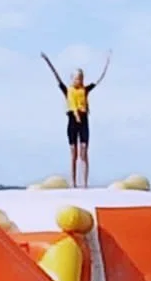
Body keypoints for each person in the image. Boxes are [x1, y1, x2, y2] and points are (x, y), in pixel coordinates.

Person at [42, 51, 110, 187]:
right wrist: (48, 61)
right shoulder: (68, 91)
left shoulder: (85, 90)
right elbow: (57, 78)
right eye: (76, 78)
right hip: (73, 120)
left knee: (84, 151)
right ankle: (73, 182)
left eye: (81, 78)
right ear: (72, 79)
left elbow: (99, 79)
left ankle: (84, 182)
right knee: (73, 153)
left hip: (83, 120)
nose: (79, 81)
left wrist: (106, 63)